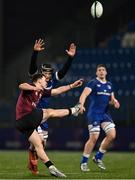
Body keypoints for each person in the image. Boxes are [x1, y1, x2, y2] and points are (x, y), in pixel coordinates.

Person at [16, 73, 83, 178]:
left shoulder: (42, 91)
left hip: (21, 124)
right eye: (44, 80)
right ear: (38, 81)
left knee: (39, 144)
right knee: (50, 112)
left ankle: (51, 168)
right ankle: (74, 110)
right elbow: (21, 85)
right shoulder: (32, 87)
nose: (46, 81)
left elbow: (57, 91)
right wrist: (33, 88)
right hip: (26, 117)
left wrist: (72, 86)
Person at [28, 38, 77, 174]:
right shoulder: (37, 78)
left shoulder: (52, 81)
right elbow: (32, 68)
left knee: (41, 144)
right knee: (40, 143)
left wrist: (70, 59)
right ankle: (36, 162)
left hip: (45, 114)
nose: (47, 75)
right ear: (42, 72)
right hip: (34, 112)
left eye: (49, 73)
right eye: (45, 72)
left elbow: (63, 72)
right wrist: (35, 53)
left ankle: (31, 152)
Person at [79, 64, 120, 172]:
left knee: (112, 135)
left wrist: (114, 102)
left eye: (103, 70)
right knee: (94, 137)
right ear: (96, 73)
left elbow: (111, 100)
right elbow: (84, 94)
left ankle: (98, 157)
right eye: (99, 70)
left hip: (105, 114)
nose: (101, 72)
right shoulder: (93, 83)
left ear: (106, 72)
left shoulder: (110, 85)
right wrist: (81, 105)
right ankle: (83, 162)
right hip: (94, 114)